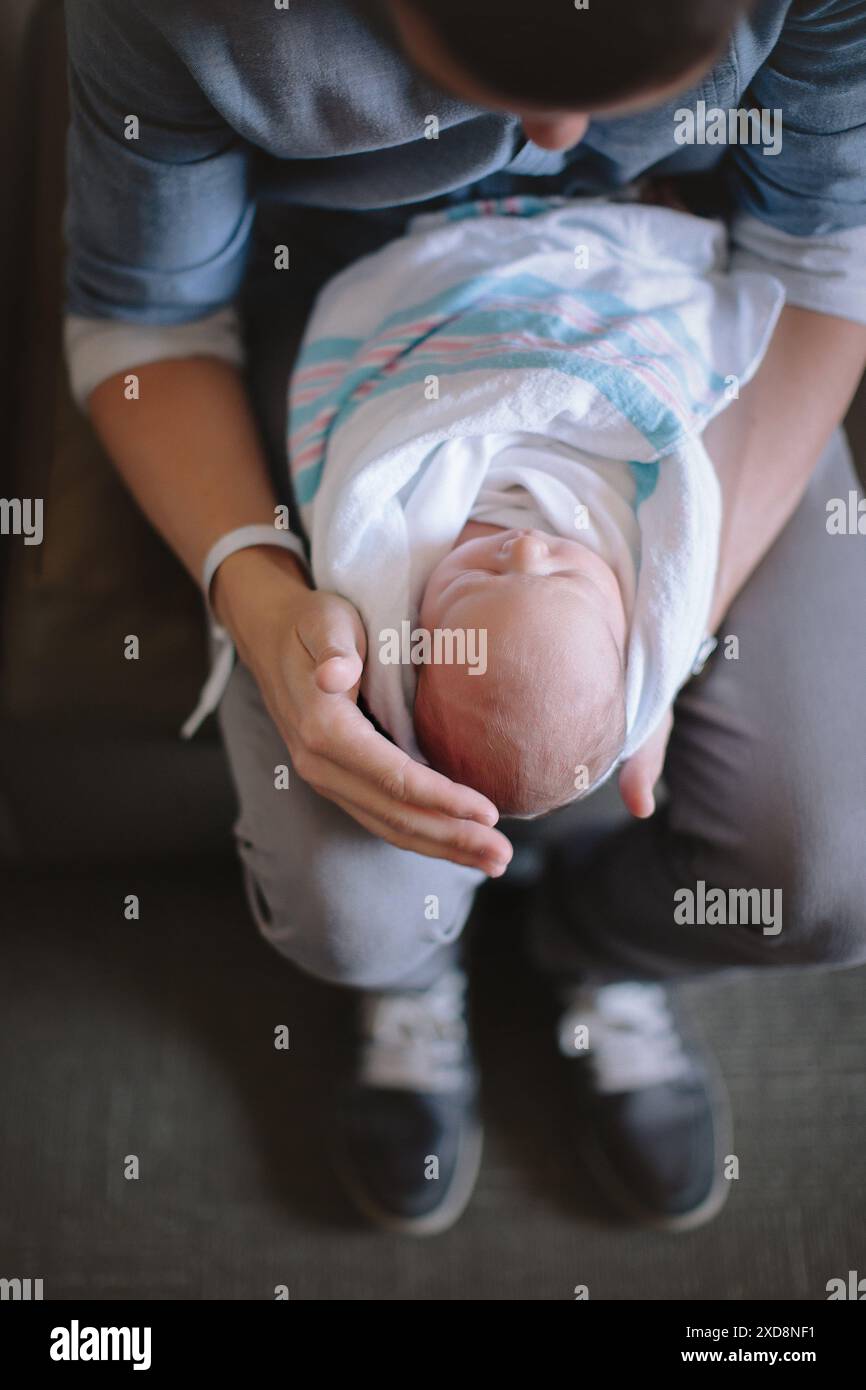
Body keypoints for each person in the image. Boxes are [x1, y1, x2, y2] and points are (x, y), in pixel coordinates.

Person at [64, 0, 866, 1235]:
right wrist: (258, 581)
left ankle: (592, 945)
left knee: (824, 881)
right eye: (492, 77)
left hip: (659, 316)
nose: (556, 135)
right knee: (352, 912)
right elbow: (142, 320)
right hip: (353, 315)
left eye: (643, 80)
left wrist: (658, 610)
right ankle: (415, 977)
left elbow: (820, 253)